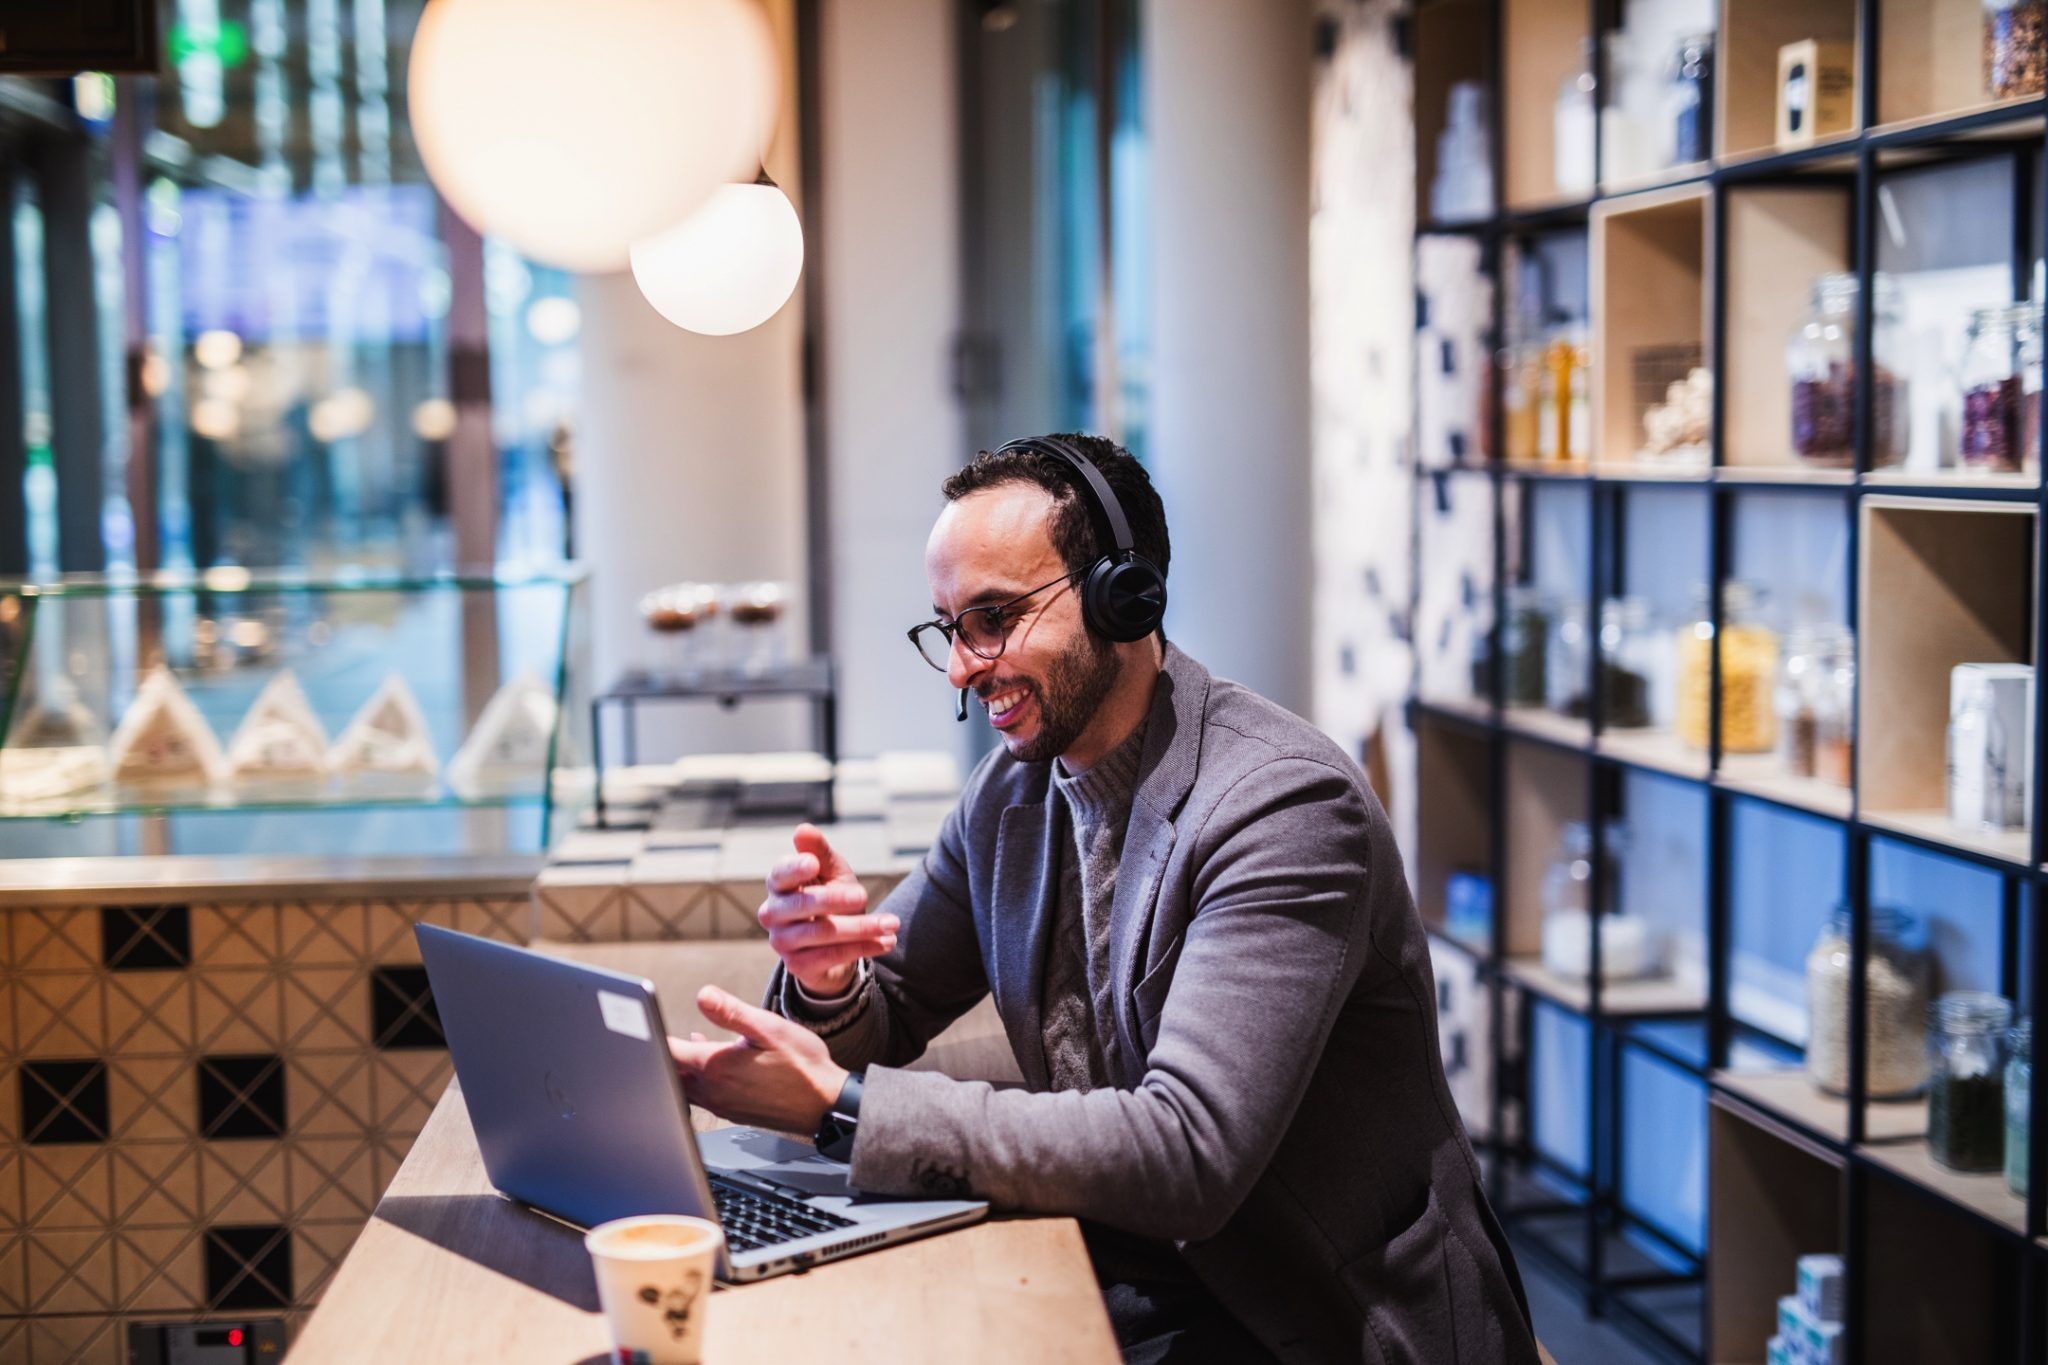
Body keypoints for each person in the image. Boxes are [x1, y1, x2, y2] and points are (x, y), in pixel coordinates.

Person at [668, 434, 1539, 1363]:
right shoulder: (1012, 795)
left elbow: (1187, 1152)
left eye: (994, 617)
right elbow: (890, 1011)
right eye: (949, 627)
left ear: (1124, 598)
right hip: (1137, 1270)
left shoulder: (1284, 806)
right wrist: (833, 976)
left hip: (1315, 1318)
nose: (964, 666)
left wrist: (840, 1108)